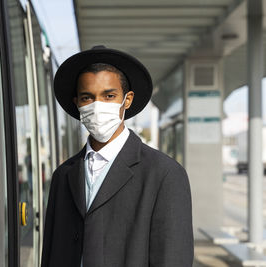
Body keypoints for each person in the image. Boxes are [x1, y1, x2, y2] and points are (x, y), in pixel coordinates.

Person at [41, 46, 193, 267]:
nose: (97, 106)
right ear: (77, 104)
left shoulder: (164, 175)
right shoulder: (63, 175)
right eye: (87, 97)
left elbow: (173, 259)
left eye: (109, 96)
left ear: (127, 100)